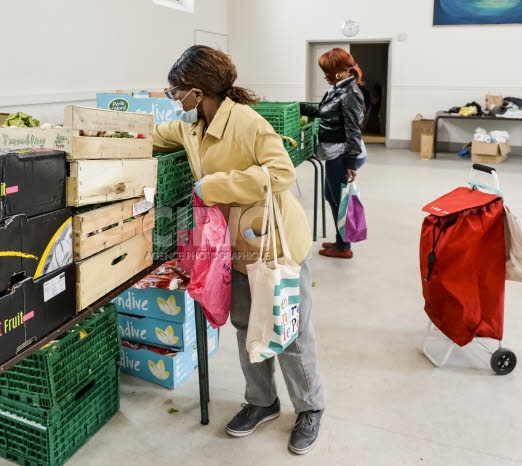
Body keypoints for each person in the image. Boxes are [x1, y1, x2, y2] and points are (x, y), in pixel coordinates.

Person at [153, 45, 325, 455]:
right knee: (247, 324)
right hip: (237, 247)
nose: (175, 100)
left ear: (199, 91)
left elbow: (280, 172)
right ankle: (262, 401)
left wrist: (215, 186)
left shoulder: (247, 123)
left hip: (274, 243)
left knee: (290, 328)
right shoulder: (192, 128)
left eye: (177, 92)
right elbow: (152, 135)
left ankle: (311, 407)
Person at [301, 48, 367, 259]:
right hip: (335, 152)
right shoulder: (337, 89)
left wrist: (349, 163)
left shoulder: (350, 94)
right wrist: (300, 107)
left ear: (339, 72)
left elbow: (353, 130)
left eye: (327, 71)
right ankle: (341, 240)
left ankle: (344, 246)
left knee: (340, 200)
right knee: (333, 196)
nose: (325, 75)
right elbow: (323, 112)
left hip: (342, 153)